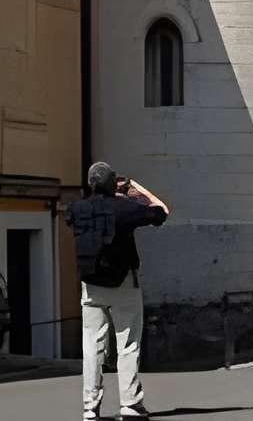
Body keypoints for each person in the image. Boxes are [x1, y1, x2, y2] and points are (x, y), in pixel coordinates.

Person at [67, 161, 170, 421]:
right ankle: (130, 404)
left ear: (90, 184)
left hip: (90, 286)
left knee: (91, 346)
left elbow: (74, 218)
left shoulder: (77, 209)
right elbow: (161, 212)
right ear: (114, 184)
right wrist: (134, 188)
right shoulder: (124, 209)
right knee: (128, 344)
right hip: (123, 283)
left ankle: (90, 407)